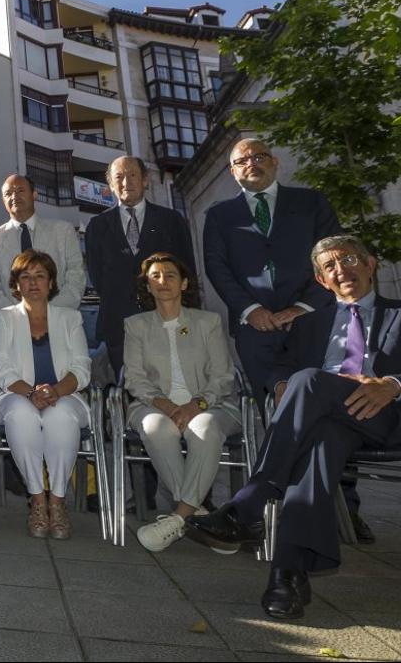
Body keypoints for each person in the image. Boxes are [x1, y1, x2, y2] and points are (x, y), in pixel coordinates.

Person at [186, 235, 401, 621]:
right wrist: (283, 383)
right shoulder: (310, 324)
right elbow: (282, 368)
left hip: (385, 415)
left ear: (370, 264)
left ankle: (250, 502)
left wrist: (393, 384)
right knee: (319, 445)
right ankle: (287, 576)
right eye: (330, 267)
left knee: (310, 381)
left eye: (349, 259)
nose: (341, 270)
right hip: (329, 422)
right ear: (321, 282)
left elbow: (307, 379)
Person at [203, 138, 339, 406]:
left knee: (321, 404)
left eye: (258, 157)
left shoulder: (311, 202)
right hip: (255, 330)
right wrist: (250, 309)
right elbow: (216, 267)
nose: (251, 164)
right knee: (273, 408)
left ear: (275, 162)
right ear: (232, 172)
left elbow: (332, 258)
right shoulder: (219, 215)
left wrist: (303, 306)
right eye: (241, 161)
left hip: (311, 320)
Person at [123, 252, 242, 553]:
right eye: (155, 276)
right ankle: (199, 516)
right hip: (153, 406)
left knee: (206, 429)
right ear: (147, 286)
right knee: (156, 428)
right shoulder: (135, 326)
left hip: (211, 405)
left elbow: (223, 375)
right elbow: (135, 379)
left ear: (184, 283)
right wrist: (164, 405)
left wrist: (196, 405)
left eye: (170, 275)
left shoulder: (208, 322)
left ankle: (178, 517)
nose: (163, 281)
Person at [0, 250, 92, 540]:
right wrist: (32, 392)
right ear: (16, 284)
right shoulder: (5, 317)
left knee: (60, 416)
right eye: (25, 277)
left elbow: (81, 368)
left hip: (65, 395)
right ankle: (37, 498)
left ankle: (57, 501)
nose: (33, 283)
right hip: (18, 394)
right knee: (22, 414)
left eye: (40, 276)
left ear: (51, 282)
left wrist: (55, 391)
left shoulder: (70, 318)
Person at [85, 156, 195, 375]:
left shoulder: (172, 221)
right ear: (111, 186)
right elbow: (98, 278)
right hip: (119, 328)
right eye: (119, 177)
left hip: (168, 323)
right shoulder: (97, 227)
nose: (126, 183)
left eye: (132, 175)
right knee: (129, 392)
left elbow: (187, 274)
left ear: (145, 180)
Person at [0, 174, 85, 315]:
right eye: (8, 193)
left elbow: (76, 274)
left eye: (20, 191)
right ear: (3, 200)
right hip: (13, 325)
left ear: (34, 194)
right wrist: (16, 316)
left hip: (59, 320)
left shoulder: (63, 231)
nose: (14, 197)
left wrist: (48, 312)